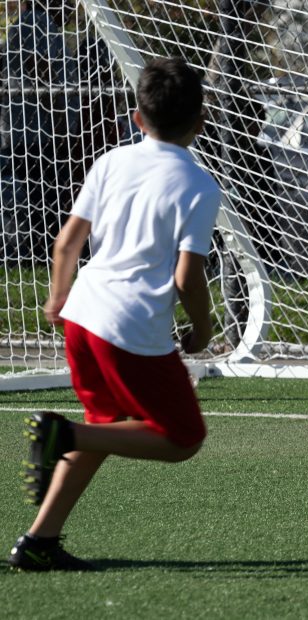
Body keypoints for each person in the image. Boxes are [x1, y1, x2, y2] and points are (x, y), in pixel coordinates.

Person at [7, 57, 222, 571]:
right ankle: (65, 436)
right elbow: (188, 277)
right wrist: (204, 327)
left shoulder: (111, 162)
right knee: (181, 439)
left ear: (136, 117)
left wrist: (57, 299)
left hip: (83, 314)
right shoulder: (199, 184)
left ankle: (40, 540)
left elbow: (66, 244)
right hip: (130, 328)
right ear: (201, 121)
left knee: (110, 425)